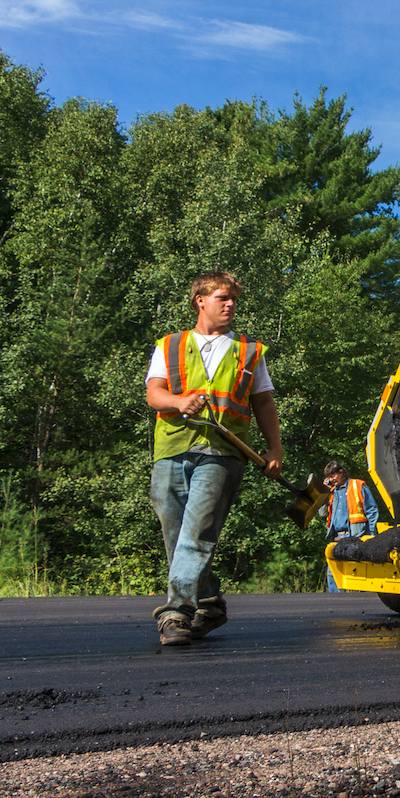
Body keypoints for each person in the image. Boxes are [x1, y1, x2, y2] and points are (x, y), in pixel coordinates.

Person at [144, 271, 281, 646]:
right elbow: (154, 394)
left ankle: (176, 613)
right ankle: (209, 602)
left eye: (233, 298)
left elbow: (264, 402)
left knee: (199, 530)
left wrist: (275, 449)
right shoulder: (170, 345)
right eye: (222, 297)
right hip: (172, 446)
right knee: (175, 530)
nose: (230, 304)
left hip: (224, 452)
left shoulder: (248, 351)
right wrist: (178, 401)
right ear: (200, 301)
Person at [321, 461, 379, 591]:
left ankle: (361, 601)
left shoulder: (357, 485)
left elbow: (372, 511)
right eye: (329, 477)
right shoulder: (331, 492)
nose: (331, 479)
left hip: (355, 537)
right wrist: (323, 493)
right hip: (337, 538)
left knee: (358, 571)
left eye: (333, 476)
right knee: (333, 573)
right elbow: (321, 513)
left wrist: (370, 535)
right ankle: (336, 603)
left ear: (341, 473)